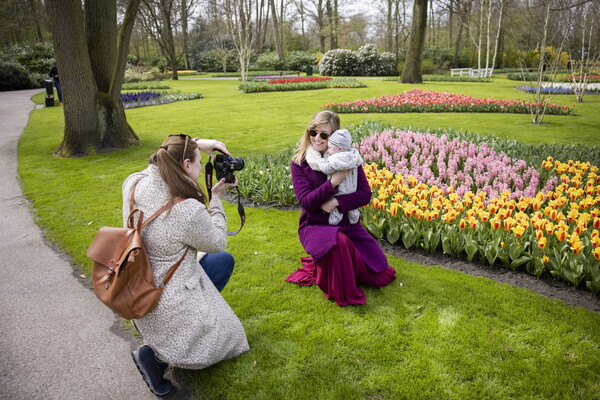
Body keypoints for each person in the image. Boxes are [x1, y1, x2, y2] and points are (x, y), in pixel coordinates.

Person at [123, 134, 249, 396]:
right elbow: (217, 241)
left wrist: (197, 143)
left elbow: (166, 154)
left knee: (219, 263)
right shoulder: (185, 209)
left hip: (137, 289)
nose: (201, 167)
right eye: (199, 162)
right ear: (185, 165)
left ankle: (172, 336)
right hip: (168, 302)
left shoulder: (135, 183)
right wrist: (215, 199)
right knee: (231, 337)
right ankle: (156, 356)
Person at [286, 111, 396, 306]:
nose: (317, 138)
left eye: (324, 135)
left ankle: (341, 264)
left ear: (335, 137)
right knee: (339, 244)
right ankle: (337, 272)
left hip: (347, 223)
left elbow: (364, 194)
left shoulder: (347, 159)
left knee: (380, 274)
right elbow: (306, 202)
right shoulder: (301, 163)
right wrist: (333, 182)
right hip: (315, 225)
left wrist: (336, 202)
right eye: (313, 132)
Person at [316, 128, 364, 226]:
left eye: (330, 148)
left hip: (341, 188)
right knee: (352, 208)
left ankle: (334, 221)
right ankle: (354, 216)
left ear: (340, 149)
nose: (328, 151)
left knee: (336, 210)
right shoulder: (353, 155)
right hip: (352, 188)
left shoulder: (337, 158)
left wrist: (320, 161)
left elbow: (327, 168)